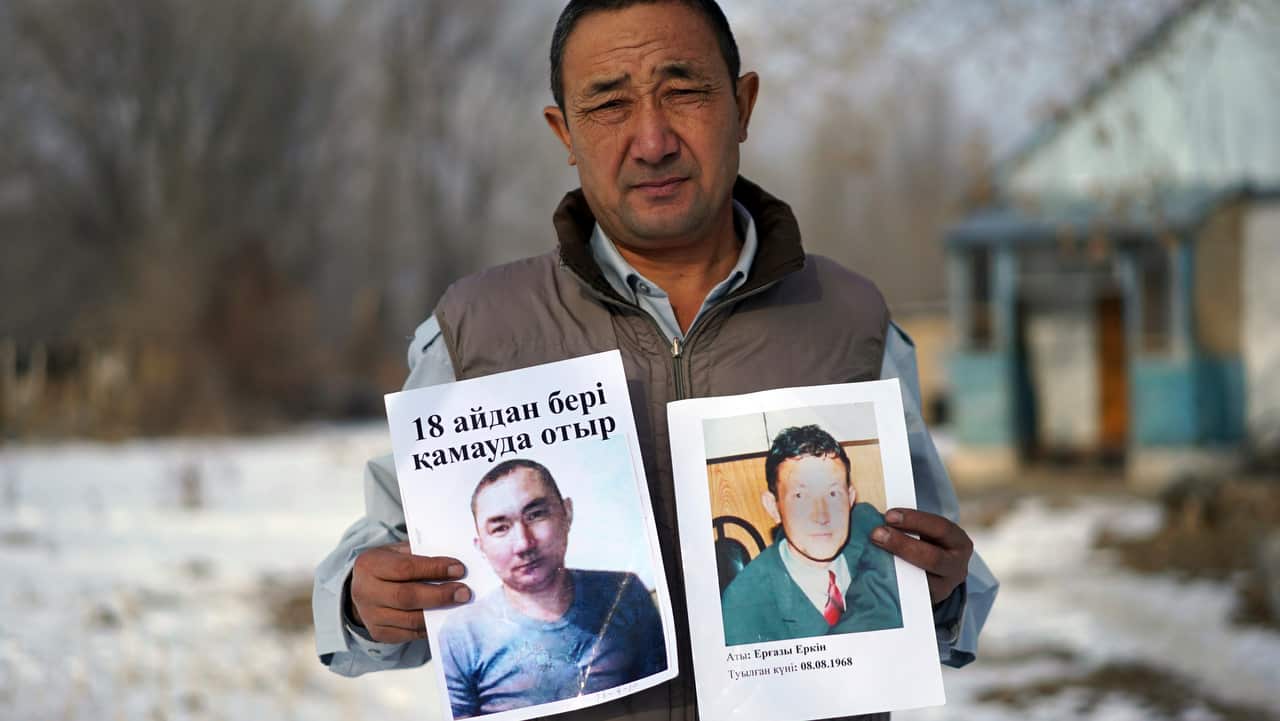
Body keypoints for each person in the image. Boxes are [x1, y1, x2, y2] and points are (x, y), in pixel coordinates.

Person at [313, 1, 999, 719]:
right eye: (609, 103)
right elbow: (386, 565)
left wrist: (944, 592)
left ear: (742, 104)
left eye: (684, 91)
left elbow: (945, 589)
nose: (652, 139)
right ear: (564, 133)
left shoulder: (850, 320)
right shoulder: (474, 331)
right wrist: (363, 599)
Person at [440, 459, 666, 718]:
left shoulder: (625, 593)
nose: (524, 543)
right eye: (501, 528)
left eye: (536, 515)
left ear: (567, 513)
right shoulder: (462, 635)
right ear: (481, 546)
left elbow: (667, 700)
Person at [720, 425, 902, 646]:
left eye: (833, 493)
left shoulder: (870, 527)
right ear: (773, 507)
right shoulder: (742, 607)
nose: (821, 516)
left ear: (850, 497)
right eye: (800, 496)